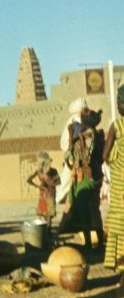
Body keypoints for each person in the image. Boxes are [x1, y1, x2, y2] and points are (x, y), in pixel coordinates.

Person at [60, 108, 105, 251]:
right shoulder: (98, 135)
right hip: (96, 176)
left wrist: (74, 140)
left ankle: (88, 243)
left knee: (83, 209)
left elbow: (75, 158)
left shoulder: (86, 137)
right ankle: (100, 241)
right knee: (95, 209)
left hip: (84, 178)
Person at [104, 87, 124, 271]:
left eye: (119, 103)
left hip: (120, 183)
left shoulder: (116, 126)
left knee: (120, 222)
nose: (118, 106)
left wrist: (113, 160)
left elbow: (105, 153)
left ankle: (121, 266)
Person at [58, 98, 88, 204]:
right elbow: (73, 138)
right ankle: (59, 198)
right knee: (67, 178)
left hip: (76, 154)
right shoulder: (76, 121)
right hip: (74, 154)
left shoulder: (76, 120)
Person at [26, 151, 60, 226]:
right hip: (45, 194)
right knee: (45, 214)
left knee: (49, 215)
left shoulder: (53, 171)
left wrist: (49, 181)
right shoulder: (39, 172)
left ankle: (47, 232)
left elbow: (58, 182)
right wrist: (38, 186)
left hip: (49, 193)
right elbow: (28, 180)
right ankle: (46, 232)